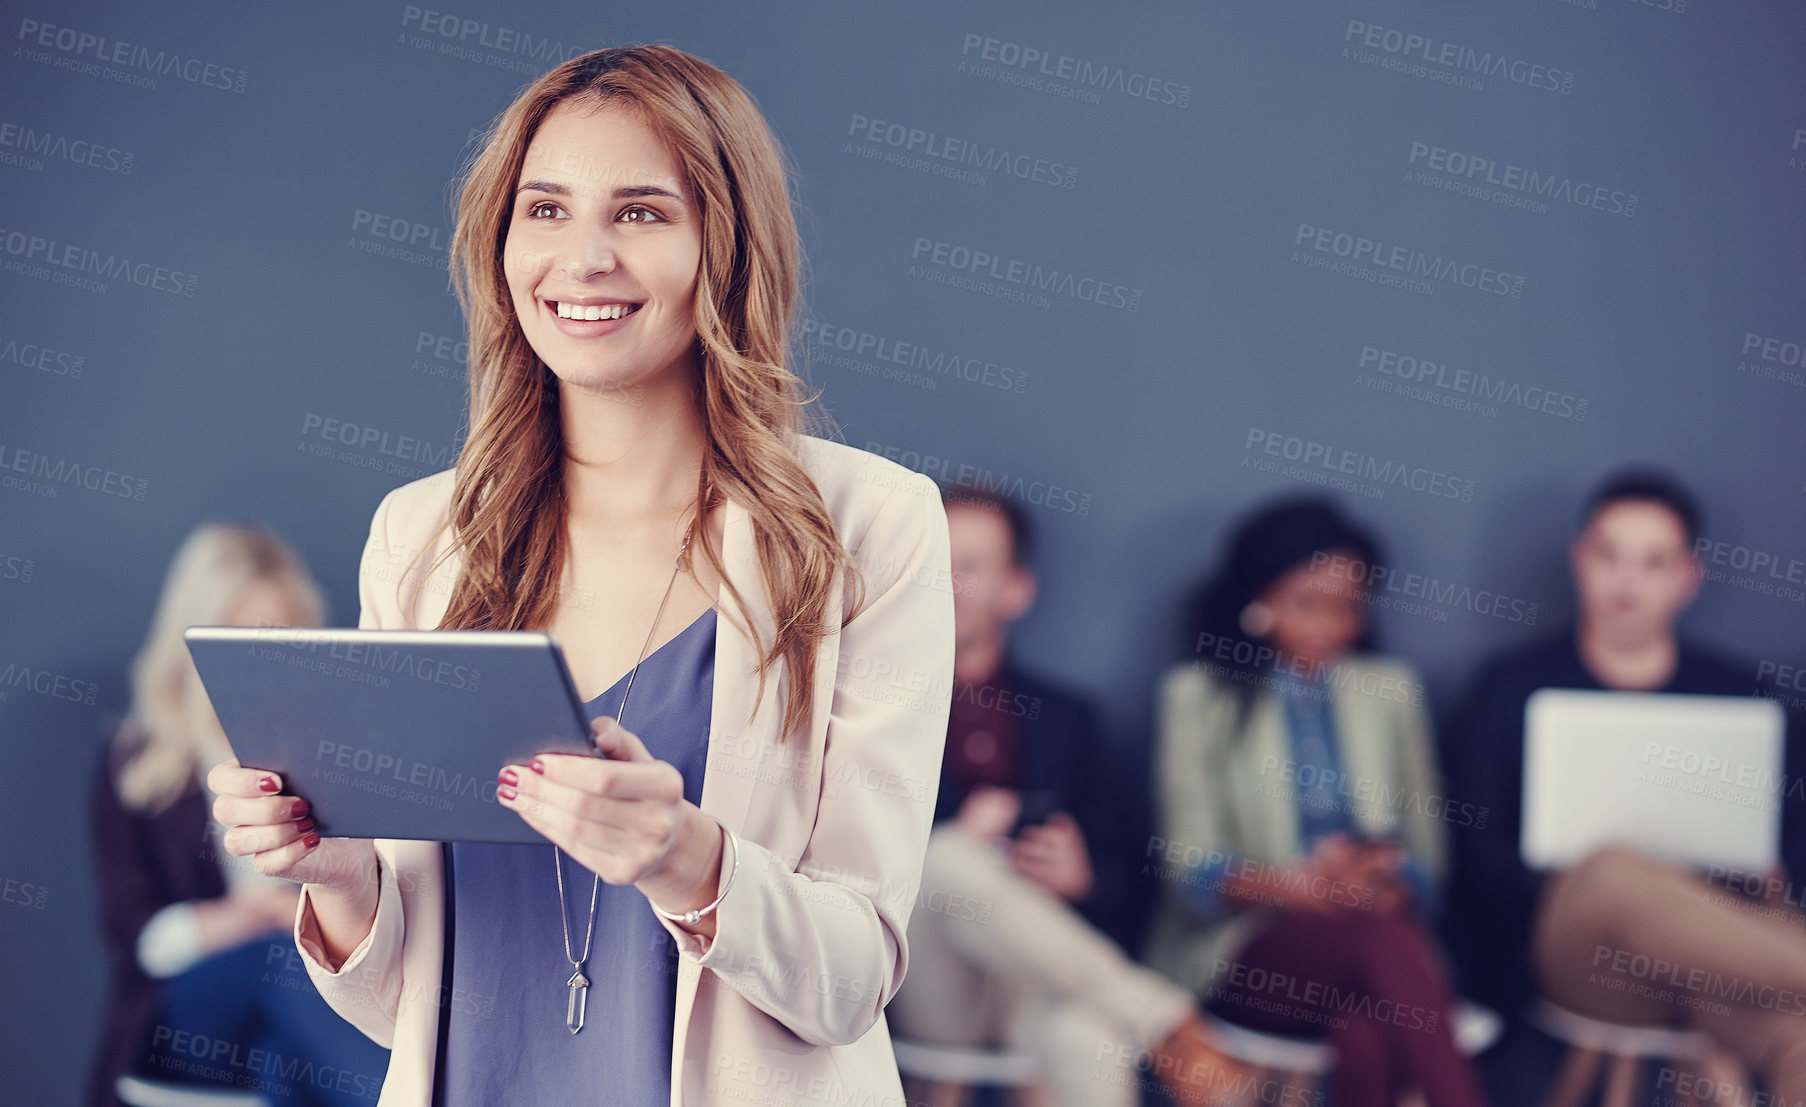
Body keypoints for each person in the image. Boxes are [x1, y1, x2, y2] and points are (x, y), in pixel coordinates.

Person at [207, 44, 964, 1107]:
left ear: (727, 245)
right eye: (545, 209)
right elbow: (405, 1011)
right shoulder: (424, 538)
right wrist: (335, 875)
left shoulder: (868, 528)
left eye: (643, 213)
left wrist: (684, 858)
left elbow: (852, 980)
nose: (583, 258)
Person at [1441, 469, 1806, 1098]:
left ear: (1688, 577)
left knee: (1796, 1031)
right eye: (1610, 556)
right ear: (1580, 560)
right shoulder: (1511, 688)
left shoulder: (1740, 693)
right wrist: (1590, 883)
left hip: (1717, 954)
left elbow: (1792, 840)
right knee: (1613, 871)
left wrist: (1774, 873)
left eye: (1653, 561)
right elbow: (1477, 854)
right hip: (1576, 954)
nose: (1627, 582)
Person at [887, 487, 1246, 1107]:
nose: (947, 583)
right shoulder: (872, 704)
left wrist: (1081, 880)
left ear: (1016, 590)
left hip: (1039, 973)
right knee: (946, 856)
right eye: (933, 562)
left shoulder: (1067, 718)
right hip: (929, 979)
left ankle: (1151, 1024)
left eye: (969, 567)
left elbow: (1131, 879)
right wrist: (950, 834)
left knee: (1091, 1039)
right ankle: (1167, 1021)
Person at [1144, 497, 1489, 1107]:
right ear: (1259, 600)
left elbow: (1428, 856)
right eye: (1309, 603)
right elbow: (1189, 871)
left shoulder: (1391, 693)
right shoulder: (1197, 698)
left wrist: (1384, 879)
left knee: (1363, 1037)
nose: (1330, 626)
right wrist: (1298, 888)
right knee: (1378, 937)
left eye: (1348, 608)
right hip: (1248, 951)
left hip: (1373, 952)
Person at [88, 522, 389, 1107]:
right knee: (278, 963)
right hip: (185, 1004)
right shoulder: (138, 760)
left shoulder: (328, 752)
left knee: (282, 1057)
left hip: (301, 992)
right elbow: (138, 942)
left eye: (281, 636)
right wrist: (250, 917)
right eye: (239, 636)